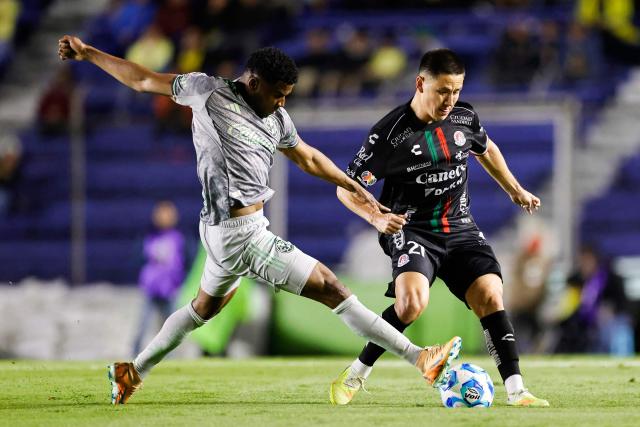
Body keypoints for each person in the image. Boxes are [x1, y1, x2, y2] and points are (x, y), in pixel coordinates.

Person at [57, 35, 462, 405]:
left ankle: (132, 371)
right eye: (278, 94)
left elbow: (306, 156)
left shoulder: (277, 118)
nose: (282, 102)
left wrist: (351, 184)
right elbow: (143, 80)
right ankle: (421, 358)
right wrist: (89, 53)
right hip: (240, 235)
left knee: (202, 309)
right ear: (253, 83)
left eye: (287, 96)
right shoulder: (207, 91)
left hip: (227, 233)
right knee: (332, 288)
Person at [331, 49, 549, 407]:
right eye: (443, 91)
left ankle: (517, 391)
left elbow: (486, 148)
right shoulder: (390, 135)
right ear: (420, 83)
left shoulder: (464, 118)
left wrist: (515, 190)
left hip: (460, 227)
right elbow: (346, 187)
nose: (450, 100)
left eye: (456, 91)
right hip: (414, 230)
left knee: (492, 295)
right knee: (411, 305)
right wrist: (376, 217)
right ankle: (355, 373)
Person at [132, 201, 186, 356]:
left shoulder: (179, 237)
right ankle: (134, 356)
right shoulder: (148, 236)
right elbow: (138, 260)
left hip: (170, 289)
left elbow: (186, 262)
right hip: (150, 289)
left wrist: (178, 281)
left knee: (172, 327)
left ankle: (171, 358)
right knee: (143, 325)